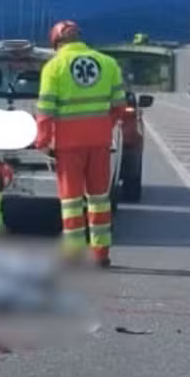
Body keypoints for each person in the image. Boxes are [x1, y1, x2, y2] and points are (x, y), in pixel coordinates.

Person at [33, 20, 127, 267]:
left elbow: (45, 110)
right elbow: (119, 107)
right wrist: (102, 127)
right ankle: (100, 254)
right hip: (99, 142)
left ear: (56, 42)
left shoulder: (54, 66)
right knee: (99, 199)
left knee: (72, 202)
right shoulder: (108, 63)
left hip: (68, 144)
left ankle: (74, 254)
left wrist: (42, 141)